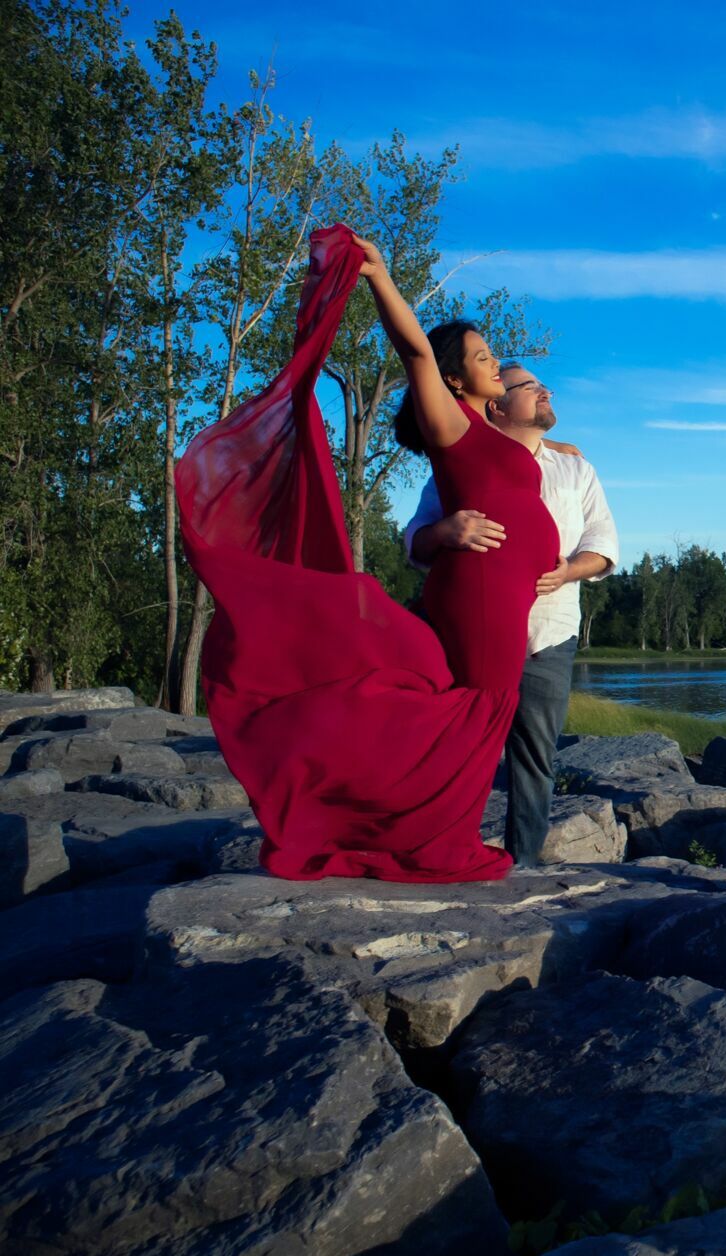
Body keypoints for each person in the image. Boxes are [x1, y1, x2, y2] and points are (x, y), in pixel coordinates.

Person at [175, 224, 554, 882]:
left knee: (474, 712)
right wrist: (379, 276)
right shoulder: (451, 422)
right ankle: (438, 842)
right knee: (480, 708)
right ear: (455, 376)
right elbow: (415, 349)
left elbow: (527, 468)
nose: (496, 363)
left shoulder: (492, 434)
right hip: (481, 589)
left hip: (500, 588)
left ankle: (425, 832)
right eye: (483, 356)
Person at [402, 362, 617, 864]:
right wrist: (445, 532)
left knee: (535, 758)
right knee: (460, 746)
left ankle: (522, 866)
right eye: (530, 386)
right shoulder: (461, 462)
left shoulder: (576, 470)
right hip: (470, 632)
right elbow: (416, 541)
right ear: (496, 406)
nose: (546, 391)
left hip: (549, 632)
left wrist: (568, 571)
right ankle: (445, 852)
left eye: (544, 384)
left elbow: (604, 546)